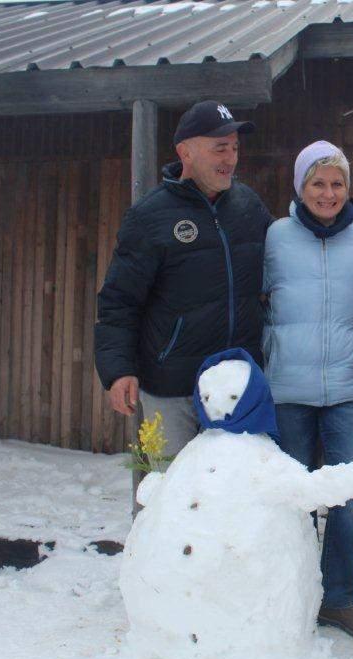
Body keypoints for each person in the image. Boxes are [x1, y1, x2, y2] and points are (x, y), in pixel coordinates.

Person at [262, 140, 353, 640]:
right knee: (289, 498)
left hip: (346, 389)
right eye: (317, 183)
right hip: (286, 389)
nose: (328, 192)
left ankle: (338, 599)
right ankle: (286, 593)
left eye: (337, 183)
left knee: (351, 499)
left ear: (349, 188)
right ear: (300, 187)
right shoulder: (274, 237)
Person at [95, 100, 271, 463]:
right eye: (220, 147)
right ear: (185, 152)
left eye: (235, 148)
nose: (231, 158)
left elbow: (290, 245)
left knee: (232, 496)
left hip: (233, 387)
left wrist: (344, 228)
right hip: (171, 389)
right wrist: (119, 370)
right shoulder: (150, 217)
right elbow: (119, 301)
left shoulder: (249, 206)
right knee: (168, 496)